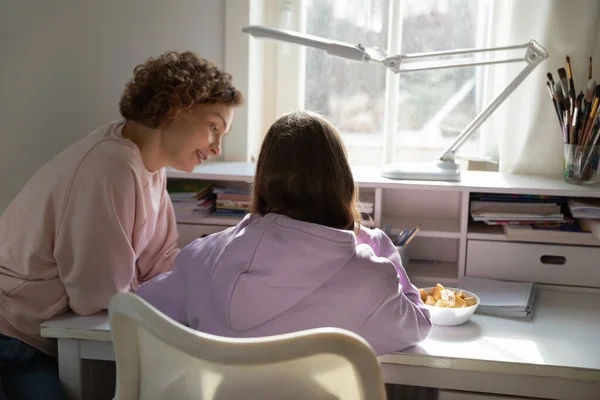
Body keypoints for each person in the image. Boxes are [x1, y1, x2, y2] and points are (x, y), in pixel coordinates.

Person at [0, 50, 244, 399]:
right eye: (214, 127)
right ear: (178, 106)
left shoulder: (151, 167)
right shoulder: (110, 165)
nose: (217, 146)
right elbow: (99, 296)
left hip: (43, 335)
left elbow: (160, 263)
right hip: (12, 336)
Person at [136, 110, 431, 356]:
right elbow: (418, 324)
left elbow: (141, 306)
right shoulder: (371, 279)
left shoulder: (203, 258)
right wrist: (383, 250)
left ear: (263, 179)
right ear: (342, 183)